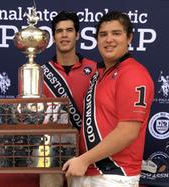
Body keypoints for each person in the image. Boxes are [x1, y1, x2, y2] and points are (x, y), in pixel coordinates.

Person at [62, 11, 154, 187]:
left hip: (114, 175)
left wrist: (83, 160)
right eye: (103, 35)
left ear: (129, 38)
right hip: (87, 171)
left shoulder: (133, 73)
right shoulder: (99, 74)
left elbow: (128, 132)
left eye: (116, 33)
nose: (109, 39)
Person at [40, 10, 97, 187]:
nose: (64, 35)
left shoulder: (95, 70)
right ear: (53, 37)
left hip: (85, 153)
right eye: (59, 31)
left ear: (78, 35)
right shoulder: (41, 72)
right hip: (49, 153)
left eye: (69, 30)